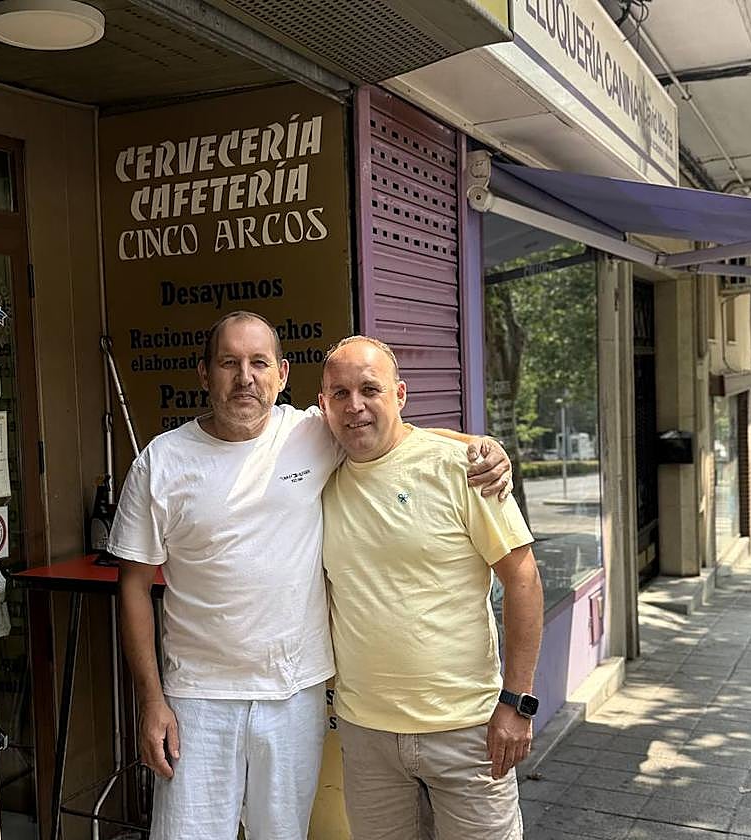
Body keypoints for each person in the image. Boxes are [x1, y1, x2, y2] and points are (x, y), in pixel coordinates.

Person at [108, 311, 513, 840]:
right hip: (196, 699)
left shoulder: (310, 432)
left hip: (294, 693)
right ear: (204, 374)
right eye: (229, 362)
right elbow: (134, 586)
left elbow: (392, 428)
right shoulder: (160, 463)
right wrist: (151, 701)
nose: (245, 377)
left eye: (258, 363)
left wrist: (478, 446)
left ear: (282, 374)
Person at [318, 335, 543, 840]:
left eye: (370, 390)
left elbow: (523, 579)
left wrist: (518, 701)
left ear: (400, 395)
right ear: (322, 405)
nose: (355, 406)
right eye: (340, 393)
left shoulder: (464, 470)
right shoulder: (320, 473)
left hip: (467, 731)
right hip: (366, 734)